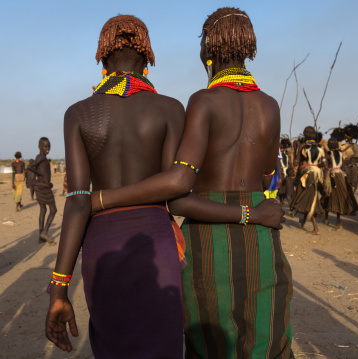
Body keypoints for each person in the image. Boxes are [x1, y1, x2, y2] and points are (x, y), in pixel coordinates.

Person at [44, 15, 283, 358]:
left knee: (113, 345)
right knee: (164, 344)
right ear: (148, 59)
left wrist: (58, 289)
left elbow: (79, 202)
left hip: (102, 244)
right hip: (156, 243)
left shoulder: (78, 114)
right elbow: (178, 187)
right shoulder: (171, 108)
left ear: (101, 58)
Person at [291, 126, 327, 235]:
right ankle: (303, 222)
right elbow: (325, 164)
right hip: (317, 174)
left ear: (305, 135)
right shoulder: (321, 147)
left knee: (308, 198)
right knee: (310, 197)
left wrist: (304, 162)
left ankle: (316, 228)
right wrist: (316, 165)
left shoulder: (303, 146)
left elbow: (296, 162)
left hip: (306, 175)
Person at [322, 135, 358, 230]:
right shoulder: (340, 153)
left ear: (329, 145)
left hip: (331, 176)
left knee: (327, 195)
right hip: (341, 176)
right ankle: (338, 220)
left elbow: (325, 164)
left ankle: (326, 218)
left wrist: (324, 175)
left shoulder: (328, 153)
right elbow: (343, 166)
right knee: (339, 198)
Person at [27, 137, 57, 243]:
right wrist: (43, 175)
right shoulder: (42, 158)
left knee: (43, 210)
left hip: (40, 185)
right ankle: (44, 232)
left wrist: (46, 178)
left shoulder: (40, 156)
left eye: (49, 146)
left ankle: (40, 237)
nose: (47, 148)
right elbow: (30, 167)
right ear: (39, 147)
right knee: (53, 210)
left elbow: (37, 169)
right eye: (45, 146)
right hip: (43, 186)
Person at [341, 123, 358, 195]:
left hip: (346, 169)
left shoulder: (342, 147)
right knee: (352, 187)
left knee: (347, 186)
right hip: (354, 168)